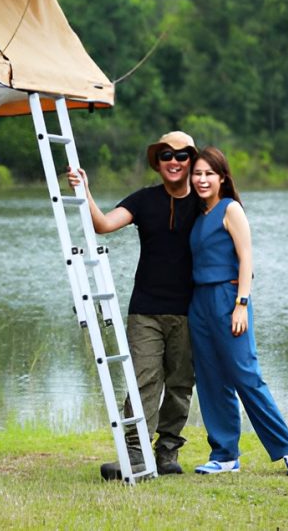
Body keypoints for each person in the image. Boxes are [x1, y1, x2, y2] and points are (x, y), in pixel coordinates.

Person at [67, 131, 198, 480]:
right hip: (145, 310)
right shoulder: (144, 200)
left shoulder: (206, 202)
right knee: (142, 381)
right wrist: (85, 190)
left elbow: (232, 231)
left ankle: (167, 452)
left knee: (181, 384)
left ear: (192, 162)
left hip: (190, 310)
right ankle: (136, 453)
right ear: (158, 162)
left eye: (182, 156)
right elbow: (103, 224)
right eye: (166, 155)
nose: (174, 161)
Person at [187, 146, 288, 476]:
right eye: (197, 174)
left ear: (222, 178)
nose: (202, 179)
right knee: (211, 380)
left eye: (209, 174)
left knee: (246, 376)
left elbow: (246, 259)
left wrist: (241, 304)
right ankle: (225, 454)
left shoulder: (230, 209)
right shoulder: (198, 215)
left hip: (228, 298)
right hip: (199, 303)